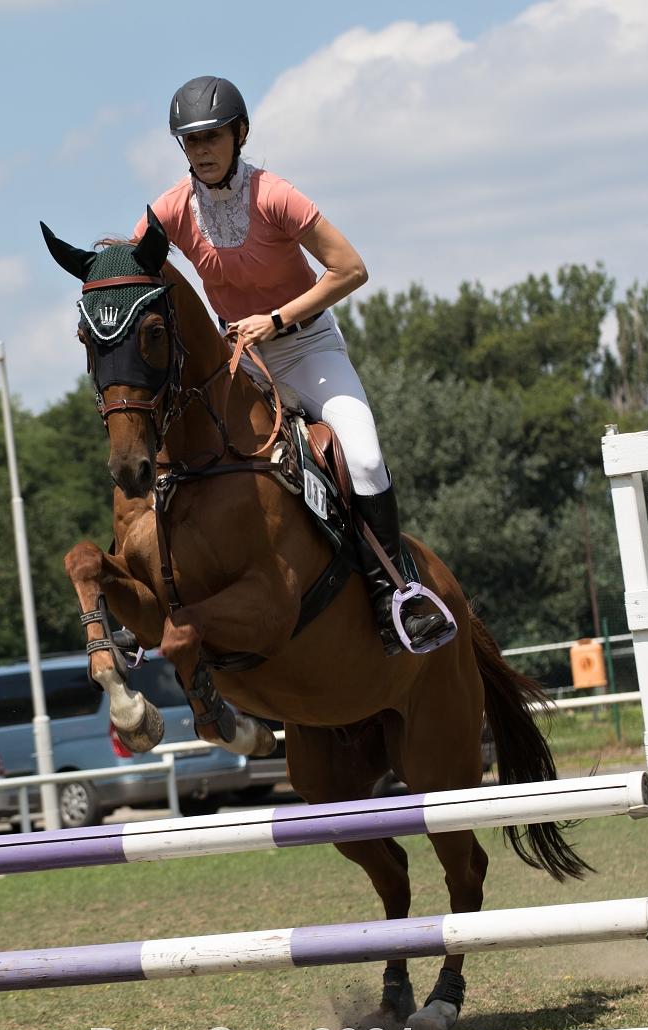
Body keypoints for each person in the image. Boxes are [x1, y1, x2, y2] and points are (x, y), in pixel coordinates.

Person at [133, 75, 449, 655]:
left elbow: (350, 269)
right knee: (179, 460)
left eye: (212, 136)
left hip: (307, 350)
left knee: (364, 455)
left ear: (240, 134)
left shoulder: (275, 195)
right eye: (191, 140)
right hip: (239, 363)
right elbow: (136, 273)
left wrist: (275, 320)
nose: (202, 150)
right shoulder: (169, 210)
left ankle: (396, 595)